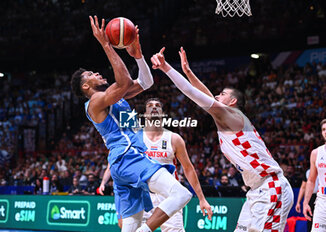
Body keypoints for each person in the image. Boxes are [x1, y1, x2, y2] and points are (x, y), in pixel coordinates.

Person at [70, 16, 204, 232]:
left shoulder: (115, 98)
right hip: (128, 158)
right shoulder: (94, 103)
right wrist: (106, 44)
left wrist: (138, 55)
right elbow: (123, 81)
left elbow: (146, 82)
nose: (96, 73)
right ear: (86, 86)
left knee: (130, 226)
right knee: (181, 194)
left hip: (127, 160)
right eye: (90, 74)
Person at [150, 47, 293, 232]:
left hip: (272, 186)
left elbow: (193, 94)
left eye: (223, 94)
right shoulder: (224, 120)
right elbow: (204, 95)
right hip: (255, 191)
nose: (217, 96)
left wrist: (166, 67)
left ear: (232, 102)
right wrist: (188, 72)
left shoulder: (234, 116)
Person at [100, 98, 212, 231]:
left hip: (168, 195)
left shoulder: (174, 138)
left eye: (158, 106)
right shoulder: (134, 136)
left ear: (162, 113)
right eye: (150, 106)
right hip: (143, 195)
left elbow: (188, 168)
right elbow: (116, 162)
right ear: (145, 114)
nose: (154, 107)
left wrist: (202, 198)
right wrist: (103, 182)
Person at [303, 119, 326, 232]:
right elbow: (311, 180)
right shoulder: (316, 153)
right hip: (322, 200)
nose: (325, 131)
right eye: (323, 129)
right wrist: (306, 202)